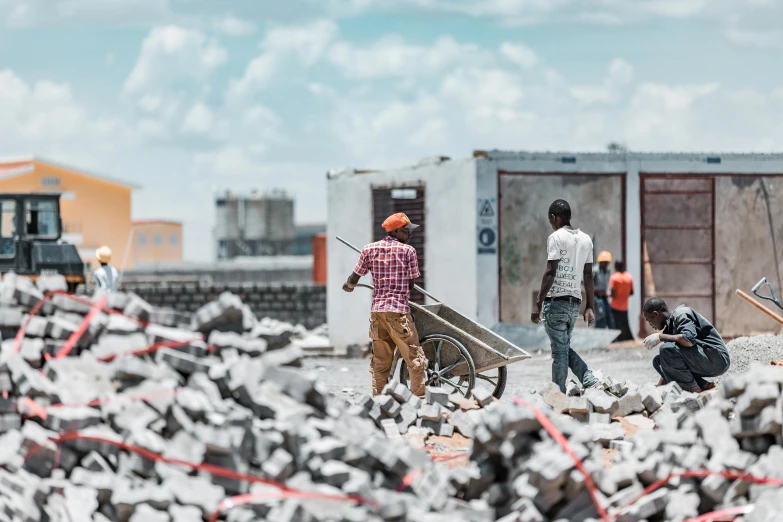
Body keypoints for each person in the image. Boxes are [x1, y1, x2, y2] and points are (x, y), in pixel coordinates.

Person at [343, 212, 428, 398]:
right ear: (396, 231)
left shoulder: (369, 249)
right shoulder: (408, 251)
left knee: (381, 363)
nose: (410, 235)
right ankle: (420, 402)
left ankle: (379, 403)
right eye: (407, 231)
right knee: (415, 360)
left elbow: (353, 278)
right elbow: (410, 285)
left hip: (378, 313)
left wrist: (348, 286)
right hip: (398, 313)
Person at [531, 199, 600, 393]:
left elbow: (550, 272)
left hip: (556, 303)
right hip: (573, 305)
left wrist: (538, 302)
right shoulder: (586, 239)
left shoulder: (556, 237)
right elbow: (588, 276)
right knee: (562, 347)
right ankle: (582, 381)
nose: (551, 223)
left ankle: (563, 391)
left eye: (550, 220)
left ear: (554, 217)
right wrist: (589, 306)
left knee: (560, 352)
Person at [642, 297, 729, 393]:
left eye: (649, 320)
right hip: (706, 358)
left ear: (655, 314)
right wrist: (659, 386)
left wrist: (660, 337)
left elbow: (689, 340)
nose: (650, 324)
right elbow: (671, 363)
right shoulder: (670, 327)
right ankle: (704, 385)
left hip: (718, 359)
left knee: (666, 349)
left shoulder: (681, 314)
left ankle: (695, 390)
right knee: (658, 361)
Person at [610, 260, 634, 341]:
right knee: (625, 324)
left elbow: (613, 294)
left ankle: (618, 340)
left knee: (616, 325)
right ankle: (628, 339)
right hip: (624, 306)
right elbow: (631, 292)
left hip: (615, 306)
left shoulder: (614, 277)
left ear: (616, 267)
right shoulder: (629, 277)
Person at [593, 251, 615, 329]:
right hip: (597, 297)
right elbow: (589, 285)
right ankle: (598, 336)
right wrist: (598, 292)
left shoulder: (607, 271)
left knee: (609, 317)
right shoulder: (595, 271)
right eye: (604, 262)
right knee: (600, 317)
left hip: (605, 297)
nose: (606, 264)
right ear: (600, 262)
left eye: (607, 263)